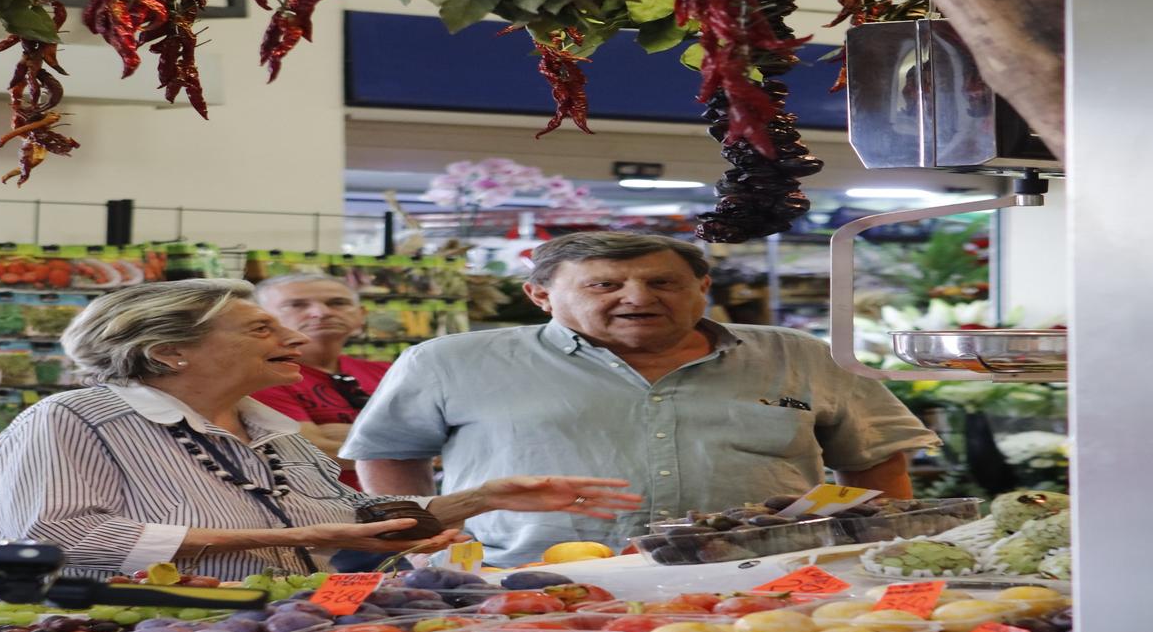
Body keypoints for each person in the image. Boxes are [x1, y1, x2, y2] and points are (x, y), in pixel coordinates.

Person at [343, 231, 938, 565]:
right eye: (604, 285)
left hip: (769, 572)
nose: (637, 297)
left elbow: (876, 458)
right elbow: (389, 452)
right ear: (540, 296)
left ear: (702, 288)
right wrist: (426, 538)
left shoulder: (799, 354)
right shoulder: (451, 361)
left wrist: (875, 545)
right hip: (529, 578)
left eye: (664, 283)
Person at [0, 279, 639, 579]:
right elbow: (53, 537)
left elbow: (348, 516)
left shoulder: (274, 429)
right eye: (262, 327)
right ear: (169, 351)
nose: (295, 336)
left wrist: (481, 498)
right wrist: (291, 536)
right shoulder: (71, 420)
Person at [248, 273, 388, 487]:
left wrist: (340, 435)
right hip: (315, 512)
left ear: (361, 315)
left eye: (338, 303)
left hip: (404, 505)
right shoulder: (262, 375)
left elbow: (440, 436)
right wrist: (409, 445)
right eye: (296, 305)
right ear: (261, 319)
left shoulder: (390, 372)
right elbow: (307, 451)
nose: (321, 313)